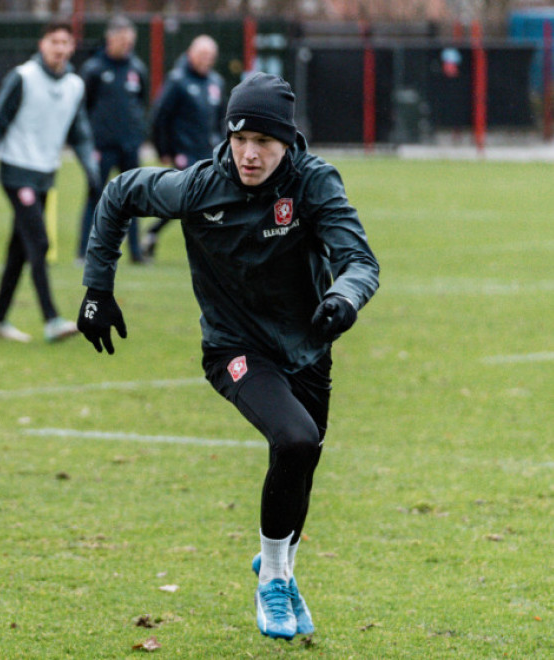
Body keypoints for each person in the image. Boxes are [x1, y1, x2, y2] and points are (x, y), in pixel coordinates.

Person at [77, 73, 379, 640]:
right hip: (235, 349)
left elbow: (360, 260)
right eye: (239, 139)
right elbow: (118, 194)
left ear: (287, 143)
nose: (248, 153)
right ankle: (274, 581)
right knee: (293, 439)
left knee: (302, 460)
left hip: (308, 345)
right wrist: (98, 288)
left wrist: (344, 297)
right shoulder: (197, 187)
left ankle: (277, 562)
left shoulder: (312, 184)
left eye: (263, 142)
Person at [0, 20, 98, 343]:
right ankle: (52, 319)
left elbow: (81, 133)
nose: (60, 48)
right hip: (17, 173)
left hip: (45, 176)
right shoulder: (23, 77)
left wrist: (92, 170)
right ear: (42, 44)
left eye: (65, 42)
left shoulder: (74, 85)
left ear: (72, 47)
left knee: (19, 248)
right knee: (40, 243)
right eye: (54, 41)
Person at [142, 34, 225, 259]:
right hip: (184, 153)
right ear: (191, 54)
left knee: (207, 200)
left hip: (208, 153)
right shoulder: (178, 81)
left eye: (210, 56)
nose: (206, 59)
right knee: (184, 201)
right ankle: (153, 233)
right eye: (202, 54)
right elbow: (160, 117)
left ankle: (208, 247)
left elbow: (220, 119)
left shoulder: (216, 83)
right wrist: (164, 150)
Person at [77, 15, 148, 264]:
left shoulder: (137, 68)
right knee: (95, 196)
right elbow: (83, 107)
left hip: (129, 146)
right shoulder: (94, 69)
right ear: (111, 38)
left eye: (131, 41)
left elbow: (141, 102)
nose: (127, 45)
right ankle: (83, 251)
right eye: (123, 40)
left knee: (133, 200)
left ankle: (136, 253)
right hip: (101, 147)